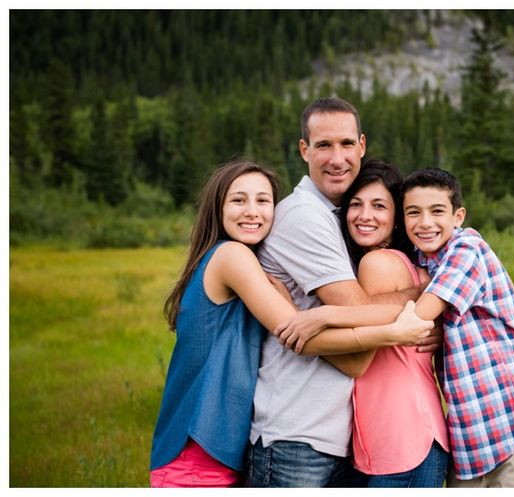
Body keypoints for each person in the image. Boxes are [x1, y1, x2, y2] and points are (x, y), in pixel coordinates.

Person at [149, 158, 433, 487]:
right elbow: (299, 335)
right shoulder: (232, 257)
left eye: (263, 201)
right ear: (217, 206)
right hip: (197, 453)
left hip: (219, 448)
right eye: (239, 200)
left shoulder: (245, 260)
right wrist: (393, 331)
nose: (252, 211)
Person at [249, 97, 438, 488]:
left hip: (336, 437)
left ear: (362, 145)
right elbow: (358, 328)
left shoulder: (339, 221)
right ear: (304, 150)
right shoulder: (305, 217)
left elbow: (360, 313)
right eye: (323, 145)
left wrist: (423, 305)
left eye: (346, 144)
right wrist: (423, 296)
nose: (337, 158)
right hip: (296, 434)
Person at [401, 167, 514, 487]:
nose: (425, 222)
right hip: (468, 441)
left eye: (437, 211)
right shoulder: (421, 262)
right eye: (413, 212)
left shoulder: (467, 247)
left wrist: (330, 316)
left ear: (458, 216)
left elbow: (420, 315)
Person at [339, 159, 450, 487]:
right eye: (356, 204)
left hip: (400, 439)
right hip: (418, 433)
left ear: (397, 218)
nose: (365, 216)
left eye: (379, 206)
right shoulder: (415, 268)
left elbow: (359, 350)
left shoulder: (377, 263)